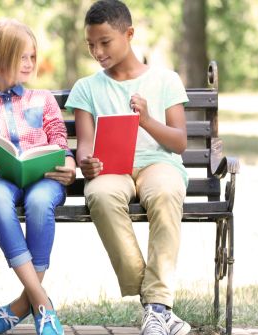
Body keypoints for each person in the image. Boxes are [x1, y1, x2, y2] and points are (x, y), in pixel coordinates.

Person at [64, 1, 191, 335]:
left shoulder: (166, 80)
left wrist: (147, 120)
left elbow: (179, 142)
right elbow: (86, 148)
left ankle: (157, 306)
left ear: (129, 34)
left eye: (105, 42)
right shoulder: (87, 88)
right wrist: (87, 163)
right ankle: (155, 304)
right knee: (101, 195)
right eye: (91, 44)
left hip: (158, 164)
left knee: (165, 192)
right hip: (112, 170)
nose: (97, 51)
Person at [0, 19, 75, 335]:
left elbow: (60, 142)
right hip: (2, 179)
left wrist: (70, 165)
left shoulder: (43, 99)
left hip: (44, 178)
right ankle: (41, 303)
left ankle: (25, 304)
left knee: (38, 202)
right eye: (21, 56)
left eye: (32, 56)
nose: (29, 63)